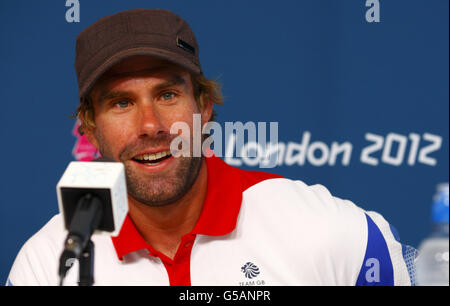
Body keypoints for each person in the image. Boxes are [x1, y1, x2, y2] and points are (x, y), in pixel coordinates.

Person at [7, 9, 415, 286]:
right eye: (122, 103)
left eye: (167, 95)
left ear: (203, 109)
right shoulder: (49, 263)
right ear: (90, 130)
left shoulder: (325, 230)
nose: (150, 126)